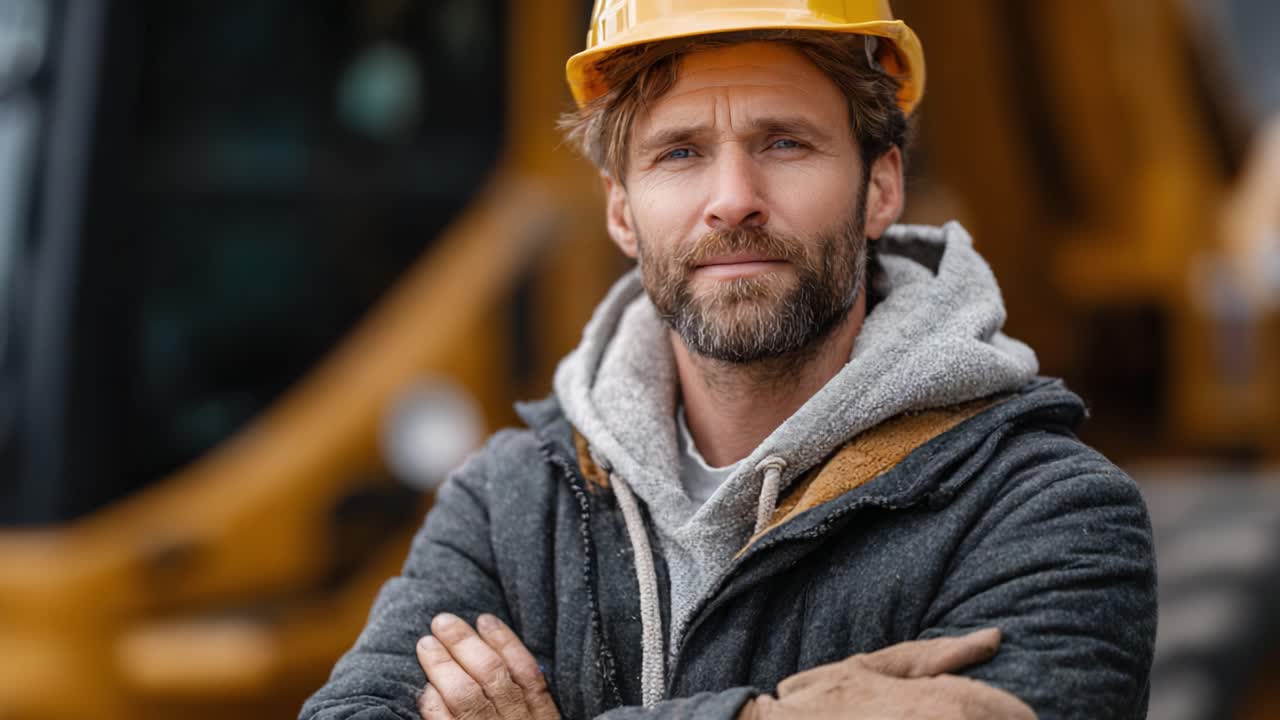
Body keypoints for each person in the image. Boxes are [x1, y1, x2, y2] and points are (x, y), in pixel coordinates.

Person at [301, 2, 1157, 718]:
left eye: (784, 143)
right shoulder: (510, 504)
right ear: (622, 212)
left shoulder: (1050, 516)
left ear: (883, 185)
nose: (733, 201)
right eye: (680, 153)